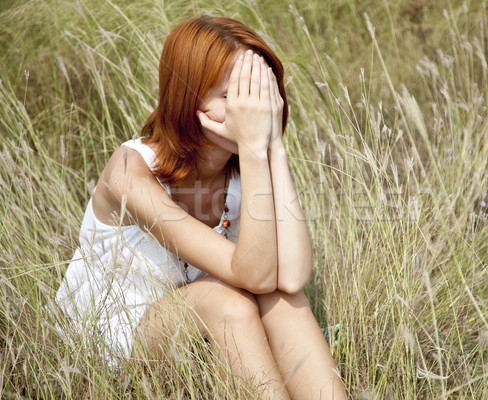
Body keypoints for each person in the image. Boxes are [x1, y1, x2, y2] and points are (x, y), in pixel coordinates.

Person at [55, 15, 347, 399]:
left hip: (201, 329)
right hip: (115, 335)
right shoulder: (129, 170)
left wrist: (273, 146)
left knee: (283, 298)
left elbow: (291, 278)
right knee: (227, 301)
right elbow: (254, 276)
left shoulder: (243, 168)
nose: (253, 111)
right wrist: (256, 148)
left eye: (259, 94)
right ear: (191, 99)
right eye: (232, 97)